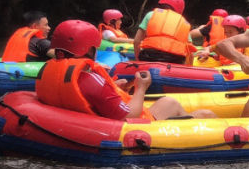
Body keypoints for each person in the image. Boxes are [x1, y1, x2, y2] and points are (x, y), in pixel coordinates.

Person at [37, 20, 214, 120]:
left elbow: (91, 98)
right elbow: (130, 115)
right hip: (129, 125)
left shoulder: (46, 69)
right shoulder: (90, 80)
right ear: (89, 49)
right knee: (194, 110)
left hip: (94, 116)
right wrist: (141, 87)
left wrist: (114, 88)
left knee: (169, 103)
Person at [133, 0, 195, 64]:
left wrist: (138, 61)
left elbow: (136, 41)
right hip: (174, 61)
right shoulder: (184, 22)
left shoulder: (150, 14)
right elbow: (190, 54)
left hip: (149, 57)